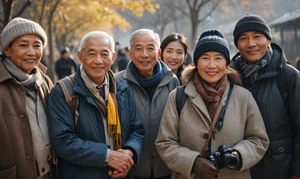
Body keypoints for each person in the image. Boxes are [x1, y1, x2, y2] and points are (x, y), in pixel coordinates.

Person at [155, 29, 270, 179]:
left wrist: (238, 155)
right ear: (196, 62)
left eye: (218, 58)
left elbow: (258, 139)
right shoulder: (178, 96)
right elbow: (165, 142)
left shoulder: (243, 97)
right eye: (205, 58)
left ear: (226, 63)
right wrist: (193, 162)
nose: (211, 65)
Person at [47, 31, 145, 179]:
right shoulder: (64, 91)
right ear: (80, 56)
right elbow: (63, 140)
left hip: (120, 173)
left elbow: (137, 129)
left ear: (112, 57)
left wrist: (128, 154)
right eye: (91, 54)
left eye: (104, 54)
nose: (98, 61)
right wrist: (107, 156)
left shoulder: (122, 88)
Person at [230, 14, 300, 179]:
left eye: (257, 36)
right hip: (240, 171)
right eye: (244, 38)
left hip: (280, 170)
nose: (251, 43)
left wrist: (297, 172)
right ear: (237, 44)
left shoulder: (288, 76)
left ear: (268, 40)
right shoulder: (230, 78)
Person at [116, 28, 180, 179]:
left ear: (158, 53)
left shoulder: (172, 81)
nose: (144, 54)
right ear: (130, 52)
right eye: (138, 49)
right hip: (132, 168)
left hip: (166, 167)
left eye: (150, 48)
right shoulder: (118, 82)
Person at [0, 17, 54, 178]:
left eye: (37, 45)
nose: (31, 52)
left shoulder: (45, 82)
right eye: (23, 45)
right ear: (7, 50)